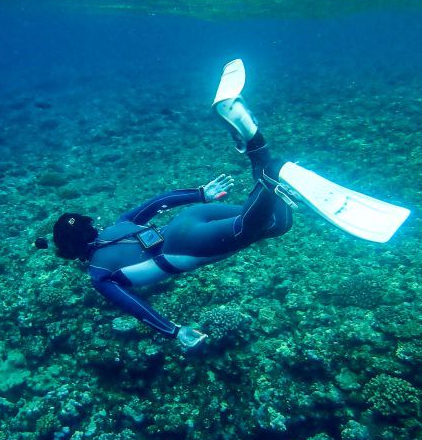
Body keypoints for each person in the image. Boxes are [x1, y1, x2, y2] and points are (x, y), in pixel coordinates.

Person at [40, 60, 297, 347]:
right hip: (189, 218)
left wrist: (174, 331)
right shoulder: (120, 223)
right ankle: (274, 177)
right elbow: (160, 200)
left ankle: (263, 160)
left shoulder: (99, 276)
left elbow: (135, 307)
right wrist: (201, 194)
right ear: (89, 228)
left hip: (183, 246)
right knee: (275, 224)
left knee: (248, 226)